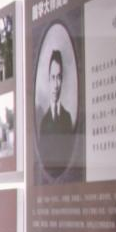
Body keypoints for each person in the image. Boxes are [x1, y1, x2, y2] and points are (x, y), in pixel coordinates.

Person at [37, 49, 75, 179]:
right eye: (53, 77)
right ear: (48, 80)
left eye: (58, 77)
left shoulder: (68, 118)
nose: (55, 85)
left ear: (62, 80)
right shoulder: (43, 122)